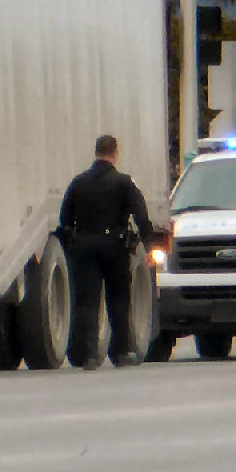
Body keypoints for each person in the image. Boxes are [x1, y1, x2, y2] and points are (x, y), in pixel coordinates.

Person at [59, 133, 154, 370]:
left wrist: (73, 245)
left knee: (87, 301)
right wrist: (150, 247)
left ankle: (89, 354)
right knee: (119, 299)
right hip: (115, 247)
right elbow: (141, 216)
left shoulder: (78, 182)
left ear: (96, 152)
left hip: (85, 247)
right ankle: (121, 352)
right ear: (115, 152)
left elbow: (65, 220)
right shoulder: (124, 183)